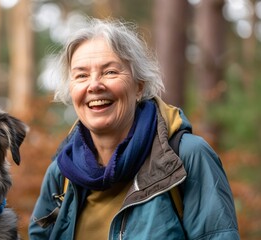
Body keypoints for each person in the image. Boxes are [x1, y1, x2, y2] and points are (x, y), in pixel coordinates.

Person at [28, 18, 239, 240]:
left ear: (139, 87)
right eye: (81, 75)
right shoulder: (62, 172)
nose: (94, 85)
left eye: (109, 72)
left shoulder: (186, 157)